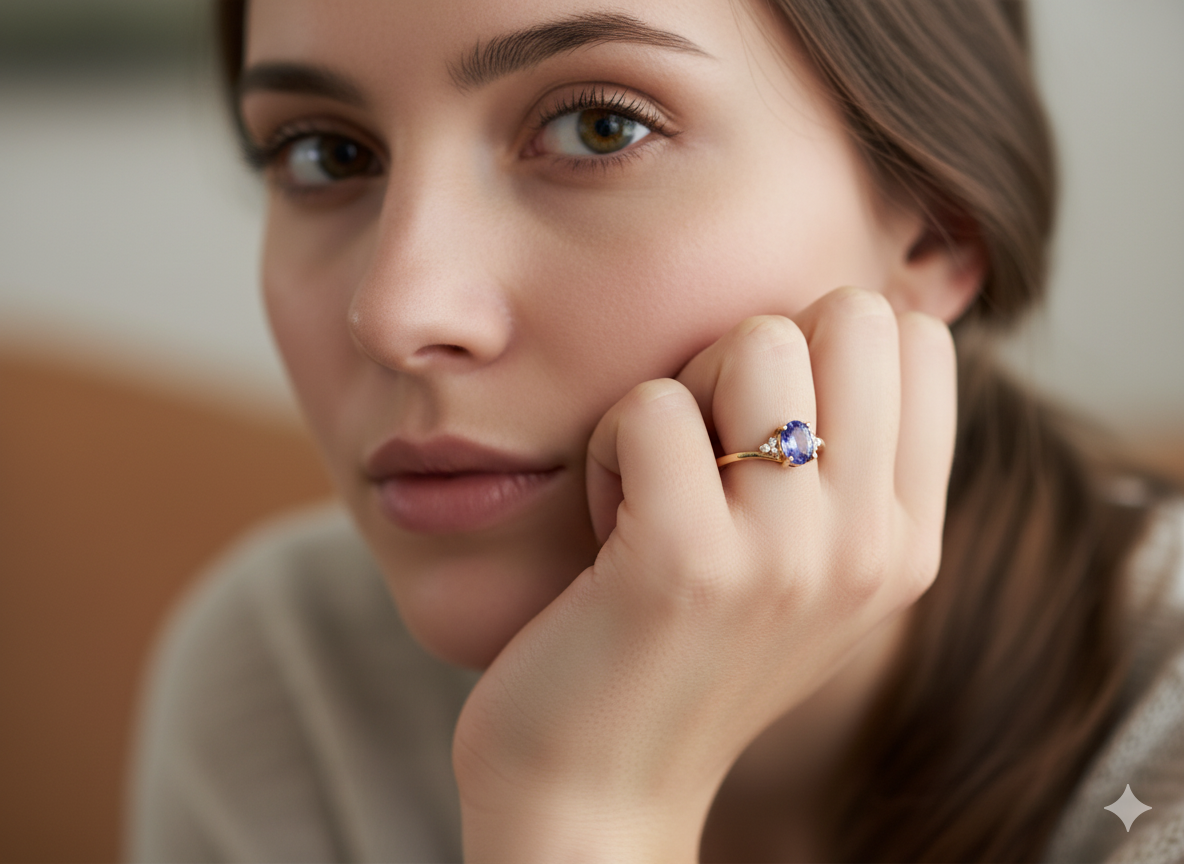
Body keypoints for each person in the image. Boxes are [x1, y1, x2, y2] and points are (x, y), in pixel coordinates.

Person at [129, 0, 1184, 860]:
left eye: (600, 126)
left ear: (935, 225)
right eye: (323, 153)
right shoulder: (288, 673)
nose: (397, 313)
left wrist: (580, 810)